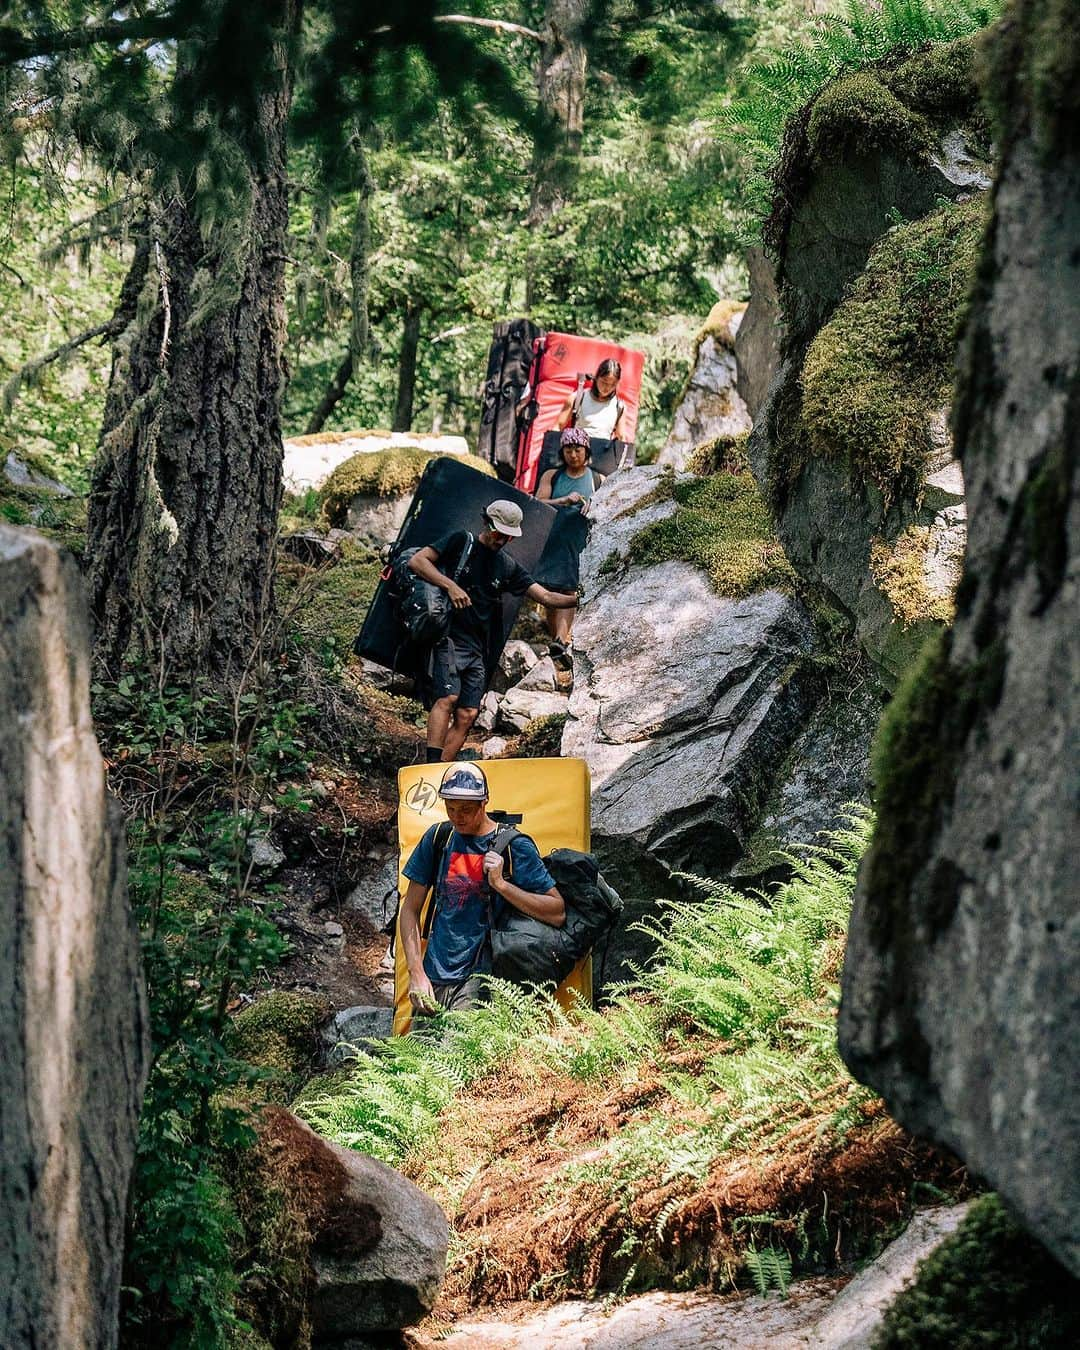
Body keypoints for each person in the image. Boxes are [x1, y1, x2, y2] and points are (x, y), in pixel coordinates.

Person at [408, 498, 578, 763]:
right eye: (499, 533)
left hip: (478, 647)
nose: (502, 540)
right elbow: (418, 561)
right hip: (449, 637)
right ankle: (429, 766)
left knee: (468, 715)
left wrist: (585, 596)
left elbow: (546, 597)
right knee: (448, 697)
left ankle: (439, 771)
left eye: (508, 536)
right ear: (486, 523)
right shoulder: (460, 542)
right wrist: (450, 586)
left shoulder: (507, 566)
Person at [399, 763, 565, 1016]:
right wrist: (416, 973)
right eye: (451, 809)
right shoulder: (438, 838)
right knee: (413, 1055)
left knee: (458, 1055)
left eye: (466, 809)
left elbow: (557, 911)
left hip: (482, 980)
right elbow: (410, 910)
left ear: (483, 803)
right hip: (433, 976)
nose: (457, 817)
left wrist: (501, 885)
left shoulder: (513, 845)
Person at [535, 426, 603, 653]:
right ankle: (557, 637)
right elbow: (538, 502)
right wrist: (563, 500)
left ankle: (562, 639)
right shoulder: (552, 476)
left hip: (579, 540)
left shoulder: (597, 479)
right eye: (568, 450)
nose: (573, 455)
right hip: (553, 537)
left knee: (570, 587)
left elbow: (610, 505)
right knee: (550, 587)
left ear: (586, 451)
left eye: (578, 450)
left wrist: (594, 506)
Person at [555, 358, 626, 442]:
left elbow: (621, 438)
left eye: (613, 384)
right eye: (604, 382)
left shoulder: (619, 407)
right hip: (578, 451)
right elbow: (558, 427)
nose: (607, 388)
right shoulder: (577, 398)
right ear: (597, 377)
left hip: (602, 453)